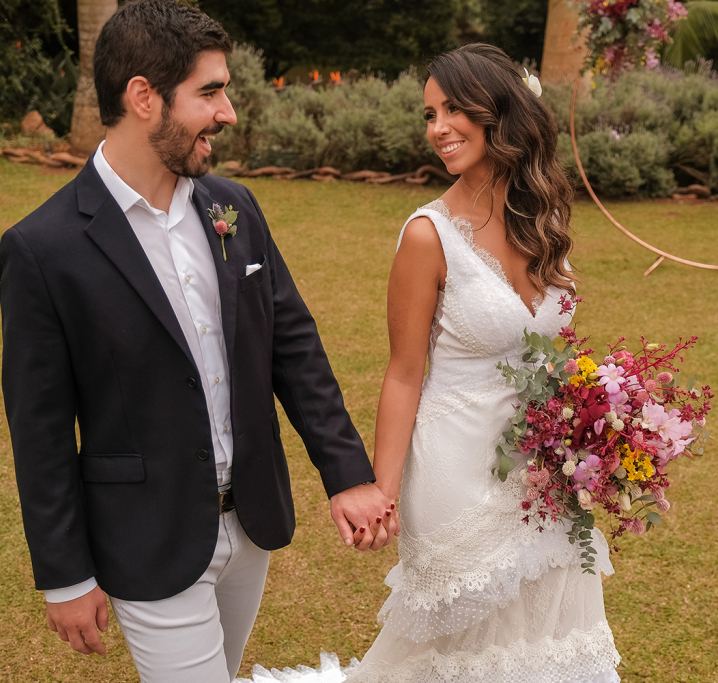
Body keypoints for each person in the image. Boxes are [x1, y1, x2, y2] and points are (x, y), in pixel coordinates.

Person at [0, 2, 396, 681]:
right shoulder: (42, 248)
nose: (229, 111)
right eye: (210, 92)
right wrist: (64, 574)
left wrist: (348, 472)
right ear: (143, 97)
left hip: (251, 523)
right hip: (148, 531)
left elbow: (292, 344)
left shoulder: (232, 206)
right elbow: (38, 428)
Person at [247, 44, 621, 683]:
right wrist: (382, 492)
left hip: (545, 470)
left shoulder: (546, 216)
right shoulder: (427, 235)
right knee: (463, 654)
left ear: (498, 111)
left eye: (453, 109)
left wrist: (601, 430)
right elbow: (403, 371)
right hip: (455, 470)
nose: (438, 128)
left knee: (551, 631)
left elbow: (557, 353)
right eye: (429, 114)